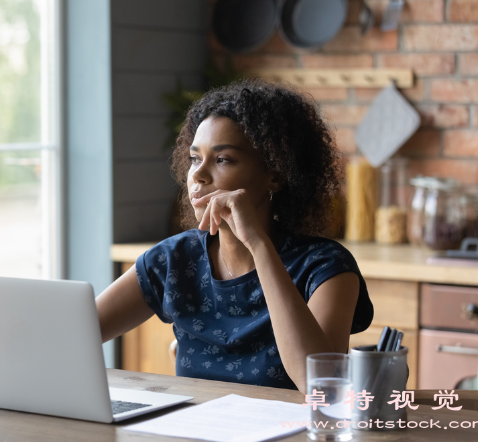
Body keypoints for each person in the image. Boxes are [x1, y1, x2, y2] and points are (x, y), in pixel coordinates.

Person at [96, 79, 373, 393]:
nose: (198, 175)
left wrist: (257, 244)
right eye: (194, 158)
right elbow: (70, 335)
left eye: (222, 159)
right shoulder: (174, 259)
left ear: (275, 174)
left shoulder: (325, 267)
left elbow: (320, 386)